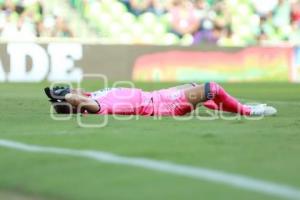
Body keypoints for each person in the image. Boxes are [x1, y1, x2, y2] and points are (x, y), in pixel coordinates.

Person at [44, 82, 277, 116]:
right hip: (163, 105)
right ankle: (249, 111)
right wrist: (64, 97)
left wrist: (57, 97)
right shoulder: (96, 106)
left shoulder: (92, 94)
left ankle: (235, 108)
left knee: (197, 87)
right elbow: (79, 102)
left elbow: (79, 96)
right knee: (211, 89)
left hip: (158, 96)